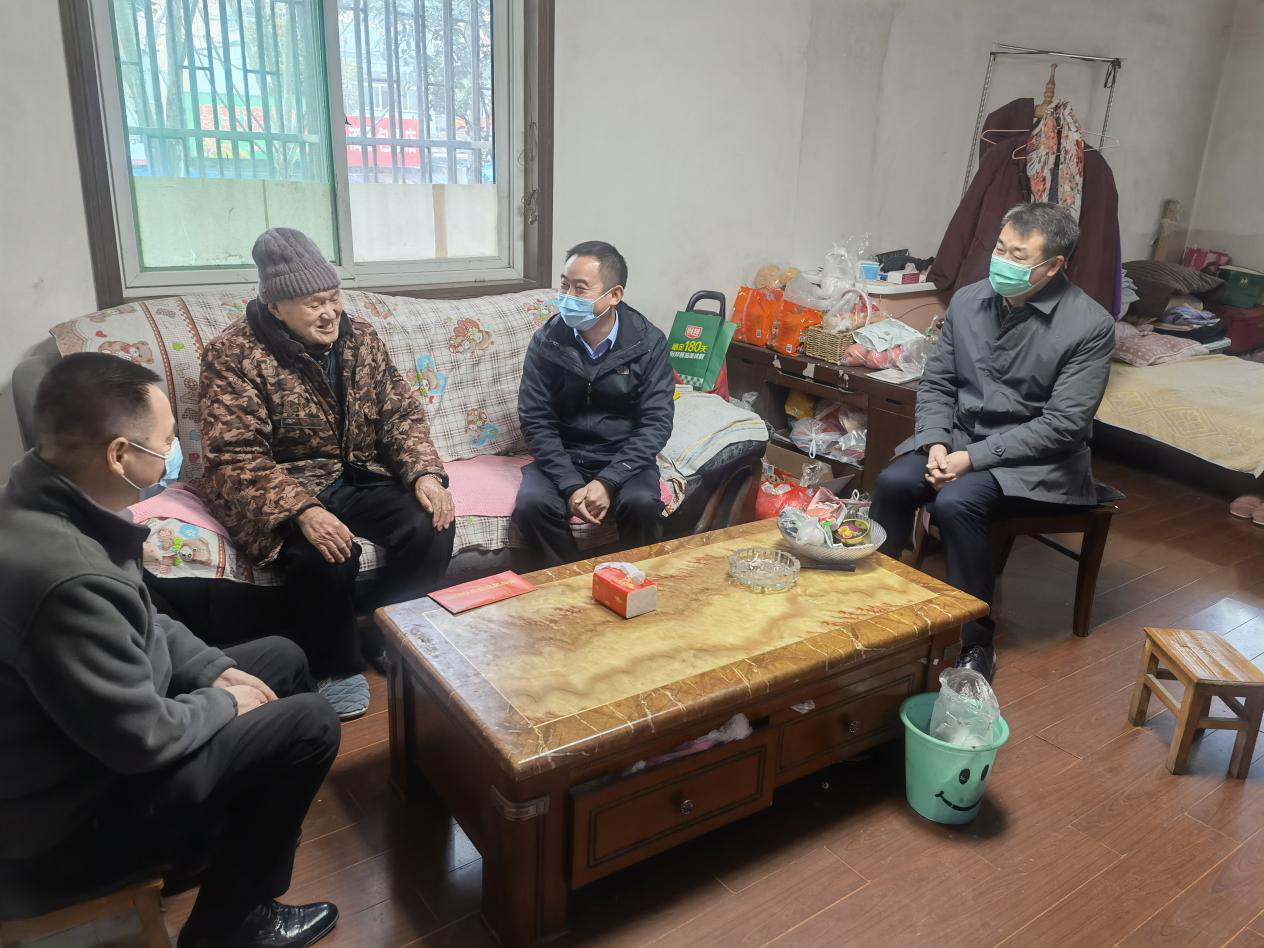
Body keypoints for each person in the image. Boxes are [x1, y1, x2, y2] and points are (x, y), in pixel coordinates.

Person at [0, 353, 340, 948]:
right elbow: (142, 739)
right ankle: (227, 929)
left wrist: (214, 671)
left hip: (85, 751)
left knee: (281, 658)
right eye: (165, 441)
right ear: (119, 454)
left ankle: (232, 856)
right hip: (63, 829)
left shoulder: (48, 501)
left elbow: (144, 618)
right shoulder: (68, 578)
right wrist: (225, 704)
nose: (174, 450)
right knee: (308, 724)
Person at [182, 227, 456, 720]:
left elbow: (400, 415)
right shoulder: (233, 355)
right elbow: (235, 455)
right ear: (275, 307)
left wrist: (423, 474)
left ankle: (388, 631)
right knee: (324, 555)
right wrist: (303, 510)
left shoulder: (360, 338)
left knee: (430, 523)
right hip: (284, 488)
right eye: (314, 303)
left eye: (333, 298)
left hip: (357, 473)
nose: (329, 313)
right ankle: (335, 665)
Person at [870, 202, 1116, 682]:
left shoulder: (1089, 326)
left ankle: (975, 641)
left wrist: (972, 458)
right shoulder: (969, 301)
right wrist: (936, 441)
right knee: (894, 481)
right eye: (1000, 249)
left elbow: (1063, 424)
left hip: (1037, 461)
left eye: (1018, 256)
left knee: (956, 503)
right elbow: (938, 382)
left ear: (1053, 266)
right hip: (960, 439)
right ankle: (873, 602)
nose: (1002, 261)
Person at [513, 240, 675, 568]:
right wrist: (571, 485)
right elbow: (535, 418)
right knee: (532, 507)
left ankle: (635, 582)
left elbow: (656, 422)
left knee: (642, 504)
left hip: (622, 455)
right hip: (563, 453)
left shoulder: (648, 343)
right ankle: (570, 582)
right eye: (564, 285)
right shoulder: (547, 340)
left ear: (614, 295)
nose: (567, 297)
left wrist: (609, 480)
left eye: (580, 288)